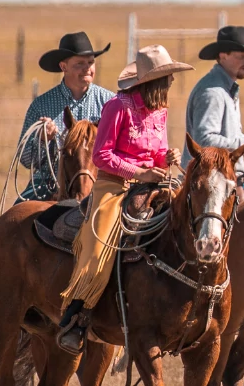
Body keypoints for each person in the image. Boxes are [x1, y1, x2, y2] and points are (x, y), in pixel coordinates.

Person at [54, 46, 193, 353]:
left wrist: (167, 157)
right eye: (167, 77)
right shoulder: (118, 106)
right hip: (113, 185)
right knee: (98, 241)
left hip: (153, 182)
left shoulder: (160, 111)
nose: (171, 82)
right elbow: (101, 155)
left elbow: (156, 152)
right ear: (152, 81)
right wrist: (138, 173)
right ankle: (77, 316)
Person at [17, 32, 115, 202]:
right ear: (64, 67)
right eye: (79, 64)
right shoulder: (42, 105)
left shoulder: (109, 103)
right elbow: (25, 159)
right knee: (16, 217)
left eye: (91, 62)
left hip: (100, 183)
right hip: (48, 184)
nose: (87, 68)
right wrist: (42, 140)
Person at [185, 25, 244, 178]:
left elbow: (231, 136)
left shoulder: (225, 89)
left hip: (220, 178)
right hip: (208, 183)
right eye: (241, 56)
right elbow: (205, 140)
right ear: (223, 56)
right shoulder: (213, 92)